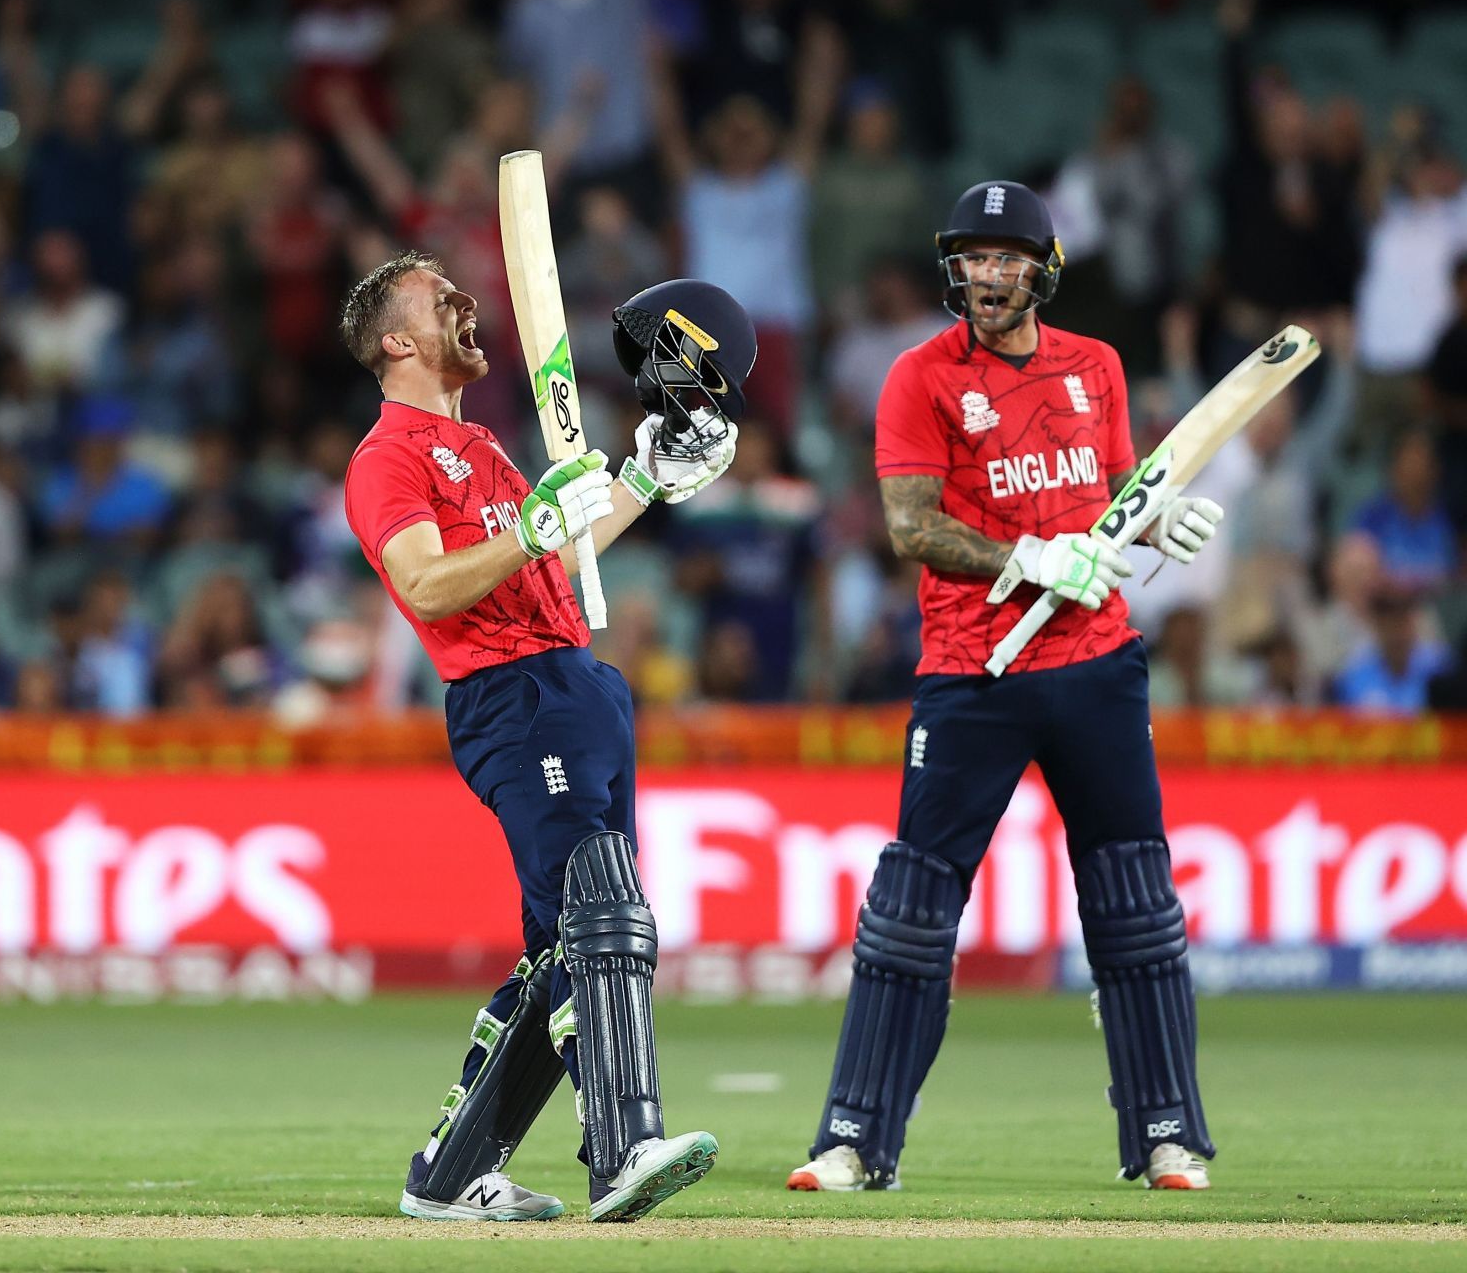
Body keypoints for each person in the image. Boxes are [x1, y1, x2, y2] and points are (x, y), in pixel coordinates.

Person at [786, 182, 1223, 1195]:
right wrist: (1029, 558)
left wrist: (1164, 524)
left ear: (1042, 267)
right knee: (912, 907)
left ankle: (1167, 1134)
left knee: (1133, 899)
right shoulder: (919, 376)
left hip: (1098, 665)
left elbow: (1115, 505)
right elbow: (910, 525)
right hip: (972, 671)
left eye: (1004, 257)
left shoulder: (1098, 367)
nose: (985, 275)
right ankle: (854, 1138)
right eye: (971, 257)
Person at [340, 251, 747, 1222]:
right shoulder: (384, 458)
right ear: (397, 341)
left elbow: (555, 563)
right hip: (506, 694)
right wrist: (527, 530)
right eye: (441, 298)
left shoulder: (482, 448)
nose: (467, 302)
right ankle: (623, 1147)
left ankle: (447, 1174)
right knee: (602, 908)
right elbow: (428, 584)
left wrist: (644, 478)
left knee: (565, 945)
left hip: (577, 682)